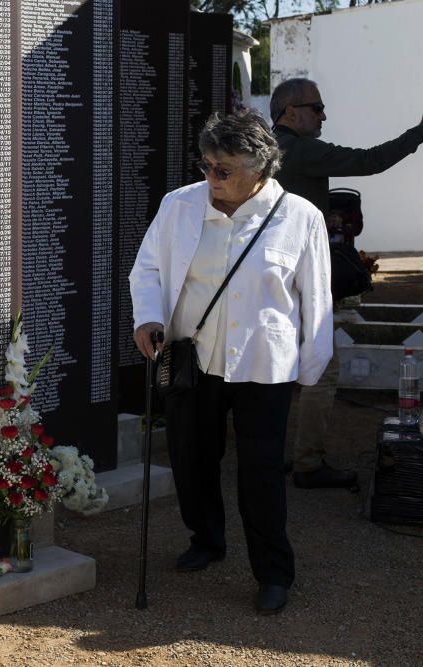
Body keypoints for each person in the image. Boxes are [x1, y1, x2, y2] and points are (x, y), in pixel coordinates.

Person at [130, 111, 332, 615]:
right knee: (191, 459)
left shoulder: (300, 216)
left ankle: (273, 573)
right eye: (207, 165)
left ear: (260, 169)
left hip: (264, 366)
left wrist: (310, 370)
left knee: (260, 473)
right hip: (191, 358)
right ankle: (207, 538)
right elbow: (148, 267)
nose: (211, 178)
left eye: (224, 169)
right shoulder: (179, 205)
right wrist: (148, 319)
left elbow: (317, 300)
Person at [271, 78, 423, 489]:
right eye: (316, 107)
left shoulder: (267, 150)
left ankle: (271, 456)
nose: (323, 115)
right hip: (300, 280)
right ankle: (307, 463)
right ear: (289, 112)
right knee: (323, 369)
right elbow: (370, 160)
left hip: (271, 279)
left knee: (278, 373)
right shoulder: (300, 150)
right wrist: (419, 132)